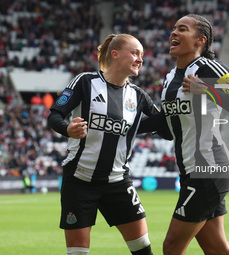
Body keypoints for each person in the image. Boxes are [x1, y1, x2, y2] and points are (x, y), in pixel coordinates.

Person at [139, 14, 229, 255]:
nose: (174, 33)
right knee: (218, 249)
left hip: (209, 169)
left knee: (172, 246)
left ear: (200, 40)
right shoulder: (171, 78)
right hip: (192, 171)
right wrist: (123, 124)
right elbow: (168, 125)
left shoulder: (210, 68)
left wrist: (207, 90)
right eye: (173, 28)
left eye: (182, 29)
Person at [47, 33, 157, 255]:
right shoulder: (85, 82)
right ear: (115, 54)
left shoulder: (138, 96)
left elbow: (164, 127)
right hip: (79, 181)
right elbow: (55, 115)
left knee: (143, 250)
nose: (140, 59)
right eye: (135, 53)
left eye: (142, 55)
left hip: (117, 182)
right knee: (77, 253)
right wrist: (67, 129)